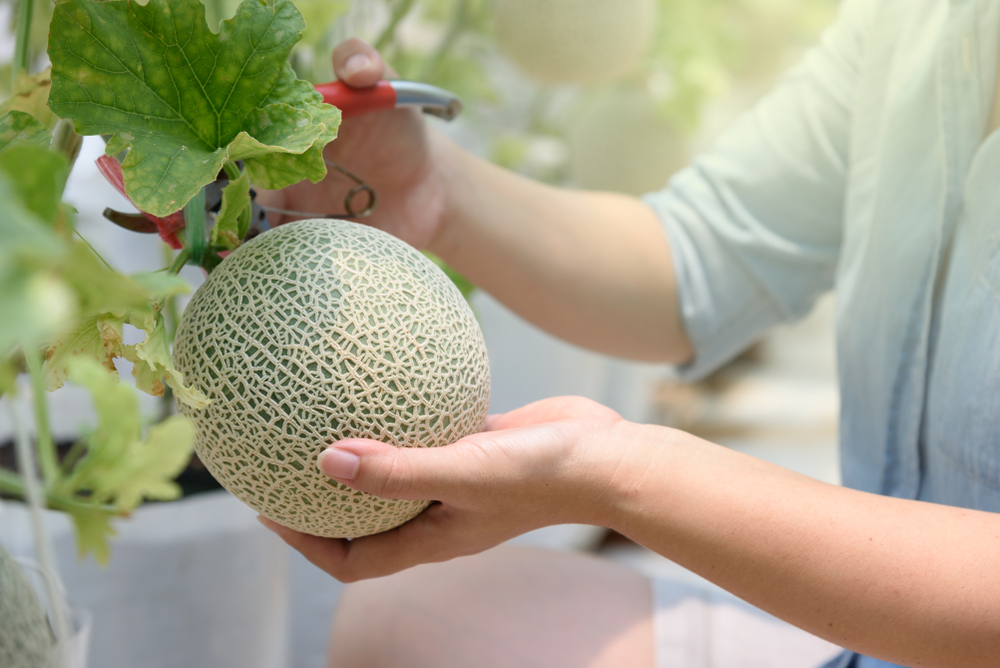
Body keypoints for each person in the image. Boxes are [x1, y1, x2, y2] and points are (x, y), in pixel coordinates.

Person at [256, 0, 1000, 665]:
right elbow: (702, 255)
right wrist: (436, 191)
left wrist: (621, 479)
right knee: (400, 617)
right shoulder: (916, 20)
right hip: (871, 642)